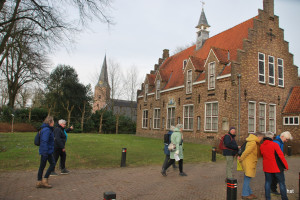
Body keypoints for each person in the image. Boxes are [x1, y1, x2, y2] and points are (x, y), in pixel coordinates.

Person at [260, 131, 289, 200]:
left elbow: (262, 155)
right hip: (276, 167)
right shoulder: (274, 145)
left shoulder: (262, 146)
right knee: (281, 183)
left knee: (267, 183)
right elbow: (281, 156)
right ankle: (284, 198)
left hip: (267, 167)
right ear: (272, 137)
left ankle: (268, 198)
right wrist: (286, 166)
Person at [238, 132, 265, 199]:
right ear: (259, 137)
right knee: (247, 178)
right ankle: (245, 194)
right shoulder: (253, 142)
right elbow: (246, 151)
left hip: (248, 162)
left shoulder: (251, 141)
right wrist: (241, 159)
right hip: (249, 163)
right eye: (261, 138)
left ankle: (249, 192)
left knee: (247, 178)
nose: (261, 140)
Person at [271, 131, 293, 195]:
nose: (286, 141)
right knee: (280, 180)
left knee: (274, 177)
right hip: (277, 162)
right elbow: (277, 155)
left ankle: (273, 189)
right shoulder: (277, 142)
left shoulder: (280, 141)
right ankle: (282, 194)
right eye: (286, 139)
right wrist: (284, 165)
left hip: (277, 162)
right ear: (282, 136)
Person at [36, 116, 56, 188]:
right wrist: (45, 152)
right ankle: (44, 180)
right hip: (46, 151)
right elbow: (44, 141)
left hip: (45, 151)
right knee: (52, 164)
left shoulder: (45, 129)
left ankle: (39, 181)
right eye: (53, 121)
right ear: (50, 122)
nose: (54, 123)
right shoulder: (47, 130)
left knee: (42, 166)